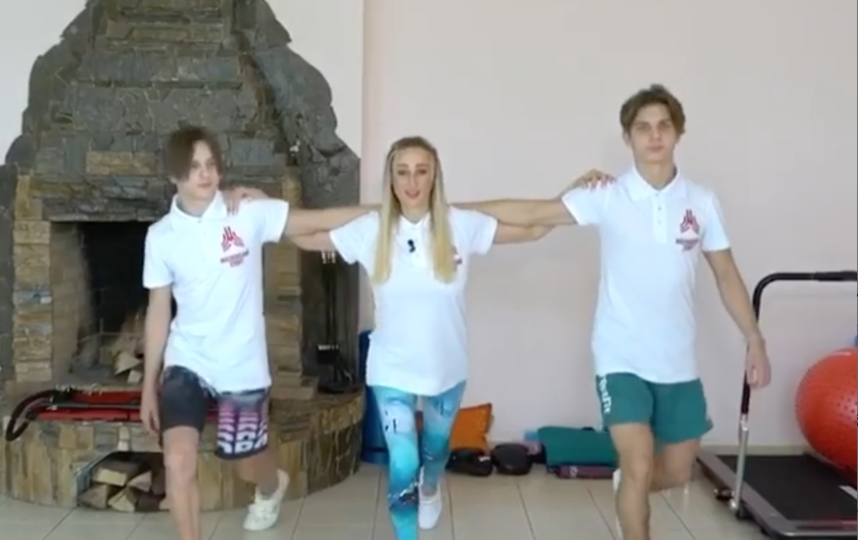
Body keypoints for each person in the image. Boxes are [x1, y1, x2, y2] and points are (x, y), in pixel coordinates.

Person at [232, 136, 606, 540]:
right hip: (391, 370)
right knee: (403, 461)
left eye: (421, 171)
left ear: (434, 177)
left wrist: (573, 194)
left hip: (447, 368)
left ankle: (431, 487)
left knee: (435, 451)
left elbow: (531, 229)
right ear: (392, 179)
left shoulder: (460, 225)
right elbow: (307, 236)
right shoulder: (372, 229)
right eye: (403, 172)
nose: (411, 182)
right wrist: (266, 207)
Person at [463, 84, 772, 540]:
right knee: (638, 462)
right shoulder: (606, 195)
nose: (654, 135)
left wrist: (754, 339)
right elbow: (532, 213)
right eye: (643, 127)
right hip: (620, 356)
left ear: (678, 133)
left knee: (677, 471)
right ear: (628, 137)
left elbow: (726, 274)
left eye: (663, 126)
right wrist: (449, 212)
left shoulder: (701, 201)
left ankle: (628, 486)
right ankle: (632, 501)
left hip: (677, 361)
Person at [140, 126, 374, 540]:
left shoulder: (245, 213)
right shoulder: (160, 237)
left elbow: (316, 221)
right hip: (187, 360)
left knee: (246, 462)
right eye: (193, 167)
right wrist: (147, 387)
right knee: (177, 460)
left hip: (241, 364)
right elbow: (159, 310)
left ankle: (271, 485)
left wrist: (385, 211)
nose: (205, 173)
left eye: (211, 164)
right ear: (174, 175)